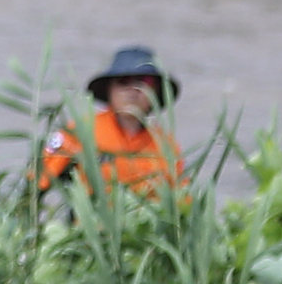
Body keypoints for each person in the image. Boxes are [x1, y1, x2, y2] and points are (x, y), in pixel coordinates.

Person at [32, 46, 181, 200]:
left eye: (144, 82)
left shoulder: (167, 146)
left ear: (157, 92)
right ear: (109, 89)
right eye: (124, 81)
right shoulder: (79, 132)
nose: (133, 91)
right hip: (90, 222)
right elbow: (36, 185)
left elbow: (181, 202)